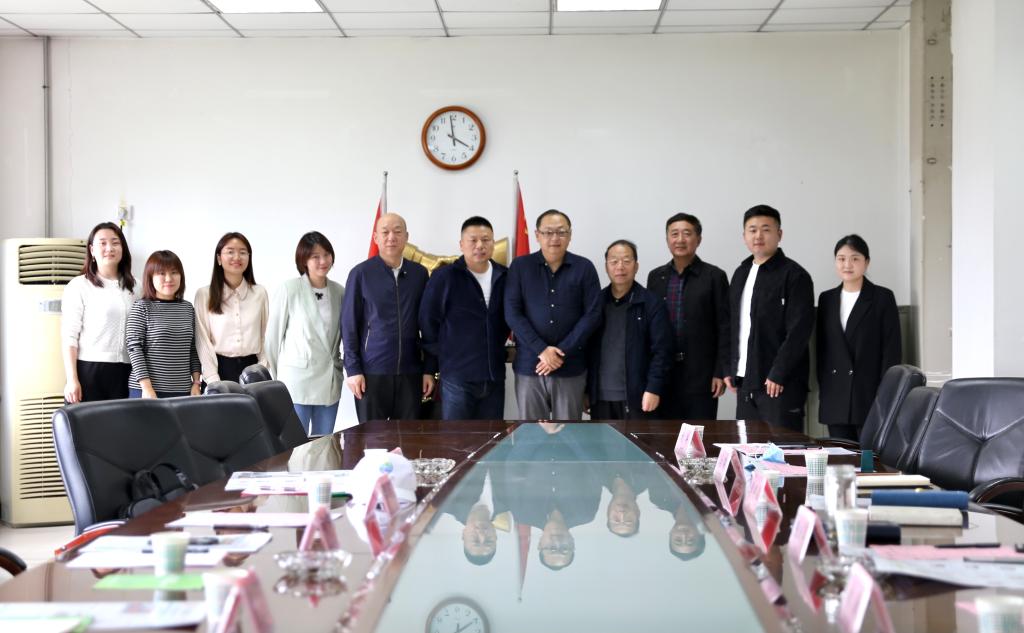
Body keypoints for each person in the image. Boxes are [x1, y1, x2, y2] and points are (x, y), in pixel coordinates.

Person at [505, 209, 601, 420]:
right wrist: (541, 350)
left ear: (570, 235)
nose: (555, 238)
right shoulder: (520, 267)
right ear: (537, 235)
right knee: (531, 434)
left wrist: (560, 352)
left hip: (570, 367)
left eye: (561, 232)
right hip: (530, 366)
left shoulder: (584, 268)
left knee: (568, 433)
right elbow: (512, 313)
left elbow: (592, 314)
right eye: (548, 232)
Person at [725, 205, 814, 432]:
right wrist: (729, 367)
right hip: (745, 382)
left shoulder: (795, 276)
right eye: (752, 230)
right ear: (744, 236)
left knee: (783, 449)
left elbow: (799, 332)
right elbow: (733, 325)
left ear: (779, 234)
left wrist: (778, 373)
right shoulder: (741, 273)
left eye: (766, 229)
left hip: (779, 385)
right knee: (746, 448)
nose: (758, 236)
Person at [342, 213, 432, 422]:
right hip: (371, 372)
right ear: (376, 237)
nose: (391, 237)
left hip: (411, 372)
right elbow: (349, 325)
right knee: (373, 438)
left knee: (408, 437)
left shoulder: (419, 274)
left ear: (406, 237)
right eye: (385, 232)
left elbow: (427, 325)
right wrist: (353, 369)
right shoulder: (361, 274)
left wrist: (429, 369)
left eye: (397, 231)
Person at [420, 216, 509, 420]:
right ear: (461, 244)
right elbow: (428, 321)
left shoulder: (505, 276)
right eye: (473, 240)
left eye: (485, 240)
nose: (480, 245)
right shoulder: (444, 277)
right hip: (457, 377)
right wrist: (441, 358)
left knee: (492, 436)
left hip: (494, 375)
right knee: (456, 436)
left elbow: (510, 318)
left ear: (493, 243)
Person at [816, 235, 901, 442]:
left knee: (869, 457)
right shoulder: (826, 299)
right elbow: (822, 350)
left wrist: (885, 393)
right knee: (841, 455)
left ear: (866, 262)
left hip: (869, 394)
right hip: (835, 395)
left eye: (855, 258)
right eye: (841, 258)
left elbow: (891, 350)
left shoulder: (882, 298)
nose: (847, 264)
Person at [646, 213, 730, 420]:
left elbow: (725, 326)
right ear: (667, 239)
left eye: (687, 233)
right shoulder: (656, 277)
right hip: (663, 373)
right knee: (662, 433)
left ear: (698, 239)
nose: (680, 239)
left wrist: (719, 371)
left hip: (701, 374)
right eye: (674, 234)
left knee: (699, 433)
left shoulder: (714, 276)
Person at [265, 231, 344, 436]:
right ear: (303, 260)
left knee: (324, 443)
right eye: (315, 256)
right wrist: (278, 379)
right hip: (297, 382)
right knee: (295, 445)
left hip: (329, 382)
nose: (323, 261)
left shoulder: (339, 292)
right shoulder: (289, 289)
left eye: (326, 255)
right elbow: (272, 340)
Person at [587, 240, 672, 420]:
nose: (620, 267)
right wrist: (586, 390)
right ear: (606, 267)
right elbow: (585, 349)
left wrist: (654, 388)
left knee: (637, 440)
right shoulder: (596, 302)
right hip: (600, 396)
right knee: (601, 440)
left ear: (636, 266)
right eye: (614, 261)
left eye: (626, 261)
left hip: (638, 396)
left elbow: (662, 351)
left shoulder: (651, 303)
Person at [61, 222, 136, 403]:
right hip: (88, 371)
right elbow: (69, 336)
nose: (109, 248)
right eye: (102, 243)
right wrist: (72, 379)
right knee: (85, 422)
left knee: (121, 422)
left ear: (123, 249)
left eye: (115, 242)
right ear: (92, 250)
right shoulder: (79, 286)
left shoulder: (136, 286)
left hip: (126, 372)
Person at [194, 232, 269, 385]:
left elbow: (266, 336)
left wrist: (261, 370)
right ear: (219, 258)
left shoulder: (260, 293)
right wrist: (214, 380)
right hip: (218, 371)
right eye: (230, 252)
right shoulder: (204, 294)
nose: (237, 257)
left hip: (254, 372)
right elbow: (203, 342)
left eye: (243, 252)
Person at [125, 250, 201, 398]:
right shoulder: (142, 307)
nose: (168, 278)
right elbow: (134, 348)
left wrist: (196, 382)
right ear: (150, 277)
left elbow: (193, 348)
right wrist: (147, 388)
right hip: (146, 391)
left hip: (183, 390)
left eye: (174, 272)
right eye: (161, 273)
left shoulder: (187, 308)